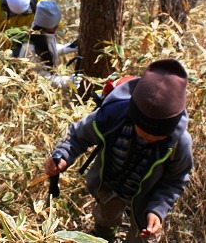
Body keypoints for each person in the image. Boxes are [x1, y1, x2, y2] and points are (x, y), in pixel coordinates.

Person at [44, 58, 193, 242]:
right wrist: (63, 155)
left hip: (148, 198)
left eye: (157, 137)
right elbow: (77, 136)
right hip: (111, 184)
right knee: (106, 217)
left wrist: (158, 210)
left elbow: (175, 180)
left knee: (142, 236)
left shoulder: (180, 143)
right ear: (133, 116)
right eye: (143, 132)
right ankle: (104, 235)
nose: (148, 139)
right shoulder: (113, 117)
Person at [17, 0, 78, 89]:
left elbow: (47, 50)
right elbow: (41, 80)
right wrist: (68, 81)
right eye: (55, 25)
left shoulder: (44, 34)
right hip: (34, 94)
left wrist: (65, 49)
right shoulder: (29, 49)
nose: (57, 27)